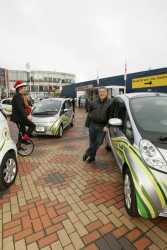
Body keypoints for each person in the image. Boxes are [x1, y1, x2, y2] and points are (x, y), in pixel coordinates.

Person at [83, 87, 112, 163]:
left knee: (99, 142)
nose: (101, 93)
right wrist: (87, 125)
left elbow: (111, 116)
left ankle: (88, 152)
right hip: (92, 125)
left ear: (107, 93)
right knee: (92, 142)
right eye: (100, 92)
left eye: (103, 92)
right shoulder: (94, 102)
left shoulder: (110, 103)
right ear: (98, 93)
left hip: (102, 126)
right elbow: (89, 113)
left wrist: (107, 126)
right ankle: (92, 157)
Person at [11, 80, 36, 146]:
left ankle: (19, 145)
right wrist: (26, 116)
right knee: (32, 126)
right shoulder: (17, 96)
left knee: (22, 131)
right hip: (19, 118)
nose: (25, 89)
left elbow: (25, 106)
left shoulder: (20, 96)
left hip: (20, 117)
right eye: (24, 88)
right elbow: (20, 108)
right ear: (20, 88)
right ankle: (23, 140)